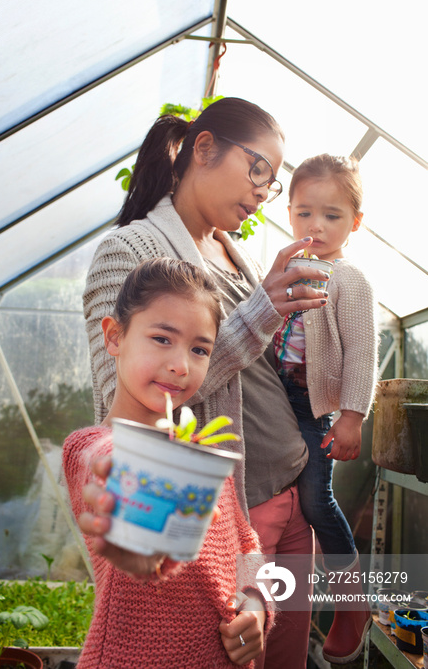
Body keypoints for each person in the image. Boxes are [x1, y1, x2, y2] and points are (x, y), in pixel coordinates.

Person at [83, 97, 331, 668]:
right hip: (242, 504)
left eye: (272, 181)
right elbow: (122, 409)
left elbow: (258, 369)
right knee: (237, 650)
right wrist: (261, 311)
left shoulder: (232, 250)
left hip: (291, 490)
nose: (264, 191)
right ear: (203, 148)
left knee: (282, 649)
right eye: (258, 168)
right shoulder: (130, 250)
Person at [63, 257, 272, 668]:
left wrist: (257, 608)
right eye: (162, 338)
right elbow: (103, 462)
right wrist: (134, 501)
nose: (181, 365)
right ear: (114, 336)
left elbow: (247, 548)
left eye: (199, 349)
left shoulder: (203, 456)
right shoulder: (89, 446)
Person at [273, 154, 378, 663]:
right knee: (282, 502)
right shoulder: (285, 268)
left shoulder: (349, 280)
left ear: (355, 223)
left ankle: (351, 600)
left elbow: (361, 351)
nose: (316, 226)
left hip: (312, 403)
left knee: (316, 499)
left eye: (332, 216)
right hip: (274, 398)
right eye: (304, 213)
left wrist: (353, 415)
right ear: (289, 212)